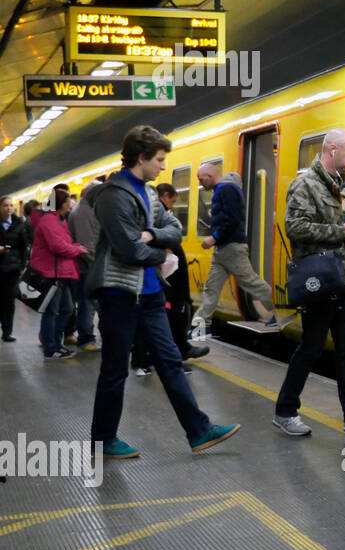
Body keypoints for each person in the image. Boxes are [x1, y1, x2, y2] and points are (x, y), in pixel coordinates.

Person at [87, 125, 239, 459]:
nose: (163, 167)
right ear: (141, 158)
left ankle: (198, 430)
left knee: (170, 361)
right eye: (158, 159)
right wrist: (162, 255)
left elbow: (176, 229)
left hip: (151, 292)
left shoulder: (149, 193)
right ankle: (103, 439)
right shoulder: (114, 196)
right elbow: (128, 250)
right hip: (120, 293)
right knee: (114, 368)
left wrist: (151, 235)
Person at [275, 128, 345, 436]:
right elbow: (295, 227)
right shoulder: (305, 184)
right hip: (320, 280)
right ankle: (285, 410)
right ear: (332, 149)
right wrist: (342, 232)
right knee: (311, 347)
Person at [130, 182, 210, 376]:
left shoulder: (156, 214)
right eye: (171, 202)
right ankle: (158, 360)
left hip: (163, 277)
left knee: (166, 318)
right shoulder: (144, 214)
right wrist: (158, 247)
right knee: (163, 320)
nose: (172, 207)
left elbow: (174, 231)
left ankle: (169, 356)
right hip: (160, 279)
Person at [195, 163, 276, 328]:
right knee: (212, 288)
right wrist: (214, 227)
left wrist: (214, 237)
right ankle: (201, 325)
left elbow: (233, 219)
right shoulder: (221, 190)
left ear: (209, 175)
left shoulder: (226, 190)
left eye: (200, 178)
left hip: (232, 247)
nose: (200, 182)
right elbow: (228, 218)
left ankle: (279, 312)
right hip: (223, 249)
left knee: (250, 282)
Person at [29, 189, 86, 360]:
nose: (70, 204)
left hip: (60, 272)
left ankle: (55, 343)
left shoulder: (59, 220)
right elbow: (57, 246)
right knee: (52, 311)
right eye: (68, 201)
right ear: (61, 203)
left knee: (66, 309)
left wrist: (75, 247)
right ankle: (50, 347)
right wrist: (77, 249)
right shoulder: (49, 220)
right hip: (51, 273)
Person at [66, 177, 105, 351]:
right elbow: (86, 245)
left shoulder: (85, 210)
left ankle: (87, 337)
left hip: (87, 267)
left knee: (87, 304)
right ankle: (86, 338)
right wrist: (100, 265)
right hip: (87, 268)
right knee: (87, 304)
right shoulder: (84, 213)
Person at [0, 196, 28, 342]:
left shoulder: (19, 223)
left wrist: (22, 265)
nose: (9, 208)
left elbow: (24, 247)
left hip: (12, 268)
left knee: (9, 300)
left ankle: (7, 331)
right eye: (5, 205)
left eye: (11, 205)